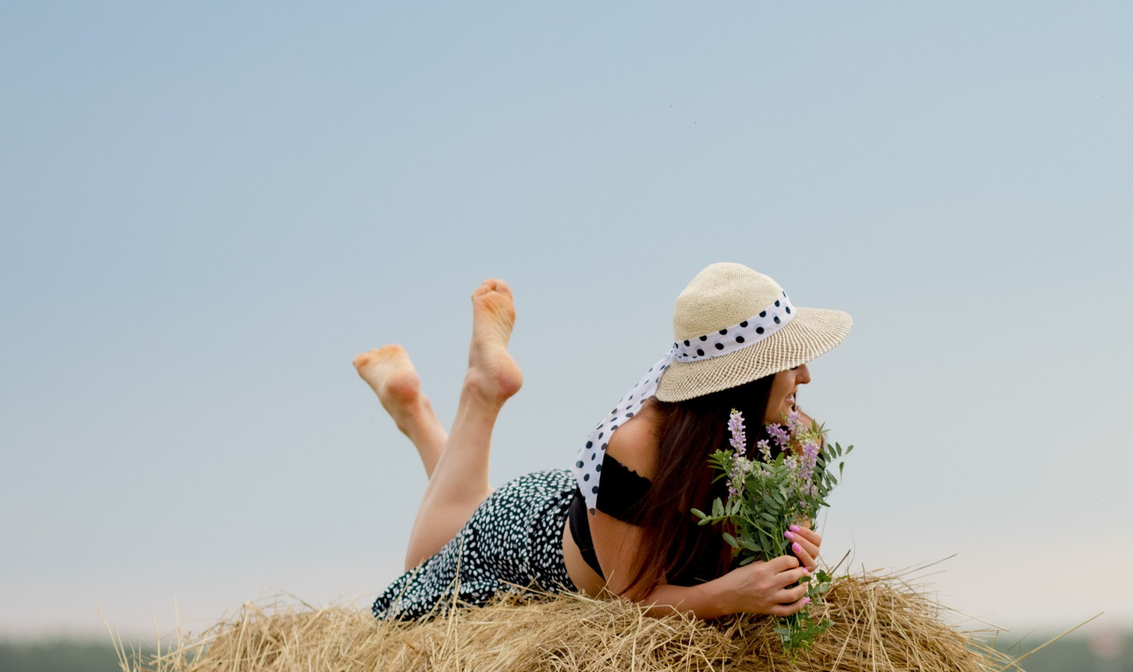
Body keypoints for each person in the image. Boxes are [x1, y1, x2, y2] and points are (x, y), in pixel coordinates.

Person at [353, 262, 851, 624]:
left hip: (600, 512)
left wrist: (795, 551)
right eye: (790, 361)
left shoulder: (798, 441)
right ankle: (477, 393)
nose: (806, 375)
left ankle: (413, 413)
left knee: (451, 513)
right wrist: (728, 596)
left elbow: (776, 561)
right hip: (526, 539)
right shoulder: (638, 445)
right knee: (420, 569)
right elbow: (625, 600)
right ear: (746, 379)